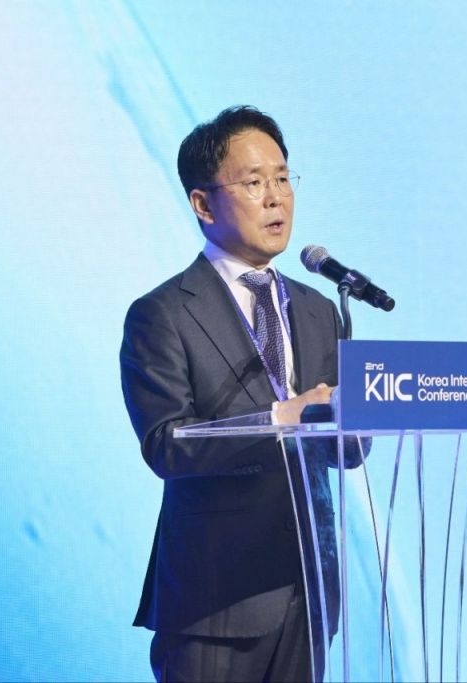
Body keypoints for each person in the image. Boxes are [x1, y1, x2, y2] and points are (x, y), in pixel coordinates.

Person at [120, 106, 343, 682]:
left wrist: (356, 418)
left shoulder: (319, 310)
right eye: (254, 182)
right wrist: (278, 418)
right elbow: (167, 445)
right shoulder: (162, 314)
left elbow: (343, 451)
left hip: (308, 594)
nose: (275, 198)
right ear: (203, 204)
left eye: (283, 178)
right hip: (215, 601)